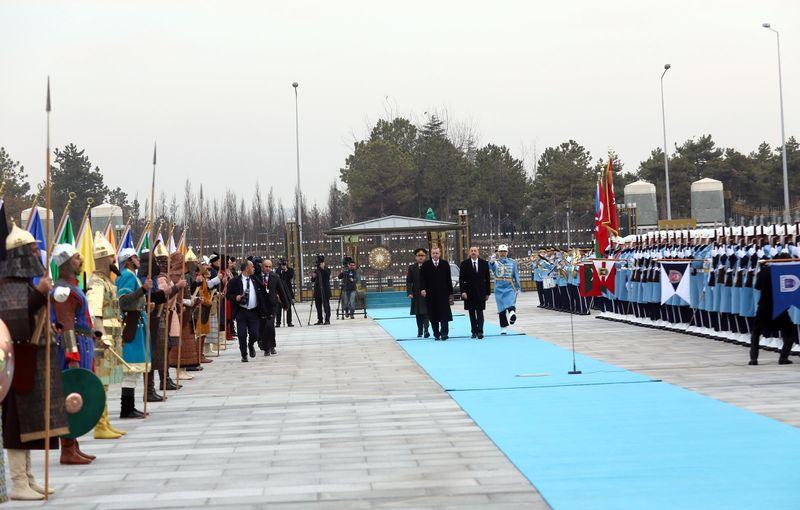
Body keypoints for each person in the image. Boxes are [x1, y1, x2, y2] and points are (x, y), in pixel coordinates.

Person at [0, 223, 68, 500]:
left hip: (31, 361)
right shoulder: (7, 284)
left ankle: (28, 478)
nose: (37, 254)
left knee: (28, 422)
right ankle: (18, 482)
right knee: (16, 422)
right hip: (16, 362)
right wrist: (39, 294)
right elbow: (15, 322)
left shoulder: (25, 283)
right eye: (31, 250)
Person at [51, 244, 97, 465]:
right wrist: (72, 356)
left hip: (82, 343)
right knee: (70, 394)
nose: (81, 261)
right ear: (68, 262)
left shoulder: (71, 287)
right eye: (78, 258)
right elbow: (67, 325)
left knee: (78, 393)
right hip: (72, 346)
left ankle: (73, 445)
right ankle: (66, 449)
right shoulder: (63, 290)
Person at [87, 231, 127, 440]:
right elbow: (95, 311)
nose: (114, 261)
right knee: (101, 382)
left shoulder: (108, 281)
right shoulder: (97, 283)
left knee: (107, 382)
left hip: (113, 335)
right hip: (104, 338)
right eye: (112, 257)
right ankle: (100, 425)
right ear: (104, 259)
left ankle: (106, 422)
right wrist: (100, 335)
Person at [117, 247, 153, 418]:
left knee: (135, 369)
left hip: (137, 323)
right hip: (131, 325)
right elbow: (123, 301)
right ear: (129, 260)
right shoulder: (126, 276)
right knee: (131, 368)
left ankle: (130, 406)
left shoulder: (132, 276)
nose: (138, 259)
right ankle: (126, 408)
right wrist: (143, 290)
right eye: (135, 257)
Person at [749, 254, 797, 365]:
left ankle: (753, 359)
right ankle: (783, 357)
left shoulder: (765, 271)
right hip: (780, 307)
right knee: (789, 333)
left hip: (764, 307)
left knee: (756, 333)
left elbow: (757, 286)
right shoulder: (787, 273)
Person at [227, 259, 260, 362]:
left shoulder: (255, 279)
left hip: (253, 311)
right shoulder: (235, 281)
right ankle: (244, 354)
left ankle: (251, 345)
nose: (254, 268)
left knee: (255, 334)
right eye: (252, 267)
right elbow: (228, 295)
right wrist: (236, 297)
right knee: (242, 334)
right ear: (246, 268)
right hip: (241, 311)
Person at [256, 259, 289, 356]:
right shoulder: (257, 277)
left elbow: (281, 291)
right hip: (261, 306)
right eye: (266, 266)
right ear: (262, 267)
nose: (268, 269)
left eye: (270, 267)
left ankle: (272, 346)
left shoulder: (275, 277)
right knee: (263, 327)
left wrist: (285, 304)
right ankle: (266, 348)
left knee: (270, 325)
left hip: (272, 305)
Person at [420, 246, 453, 340]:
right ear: (431, 254)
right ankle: (436, 333)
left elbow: (448, 279)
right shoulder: (426, 265)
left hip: (443, 294)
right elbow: (422, 279)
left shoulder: (445, 264)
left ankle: (444, 333)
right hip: (430, 294)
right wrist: (422, 289)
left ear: (440, 254)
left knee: (444, 314)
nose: (435, 255)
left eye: (437, 253)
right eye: (433, 253)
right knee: (433, 315)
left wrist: (450, 293)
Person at [459, 246, 491, 339]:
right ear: (469, 253)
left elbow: (487, 279)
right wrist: (463, 292)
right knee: (472, 313)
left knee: (480, 312)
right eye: (471, 251)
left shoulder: (484, 263)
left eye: (475, 251)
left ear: (478, 252)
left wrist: (487, 293)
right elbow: (461, 279)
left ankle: (480, 331)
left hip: (481, 292)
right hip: (469, 293)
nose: (473, 252)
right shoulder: (464, 264)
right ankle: (474, 331)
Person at [489, 244, 521, 334]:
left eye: (504, 252)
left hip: (509, 286)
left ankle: (512, 314)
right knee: (501, 308)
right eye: (501, 252)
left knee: (510, 302)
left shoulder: (512, 262)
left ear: (507, 252)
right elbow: (491, 267)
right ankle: (503, 327)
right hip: (499, 287)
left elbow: (516, 275)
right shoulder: (495, 262)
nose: (503, 254)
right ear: (498, 253)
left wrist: (518, 287)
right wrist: (491, 262)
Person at [406, 248, 430, 338]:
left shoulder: (428, 266)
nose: (420, 257)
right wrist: (409, 292)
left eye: (422, 255)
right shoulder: (412, 268)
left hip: (426, 293)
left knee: (426, 312)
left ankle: (426, 330)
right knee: (418, 313)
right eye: (419, 256)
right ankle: (420, 330)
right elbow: (409, 281)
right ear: (416, 257)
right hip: (415, 293)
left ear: (425, 256)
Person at [310, 255, 331, 325]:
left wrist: (323, 268)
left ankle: (327, 319)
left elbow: (328, 275)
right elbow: (312, 280)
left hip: (325, 291)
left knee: (326, 305)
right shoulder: (316, 271)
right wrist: (313, 277)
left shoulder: (327, 269)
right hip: (317, 291)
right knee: (318, 306)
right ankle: (320, 319)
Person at [275, 259, 294, 327]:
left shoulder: (290, 270)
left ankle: (289, 322)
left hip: (288, 290)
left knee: (288, 307)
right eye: (282, 264)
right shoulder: (278, 270)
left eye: (285, 264)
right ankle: (278, 322)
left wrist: (286, 270)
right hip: (280, 290)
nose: (283, 265)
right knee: (278, 307)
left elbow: (290, 276)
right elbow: (277, 278)